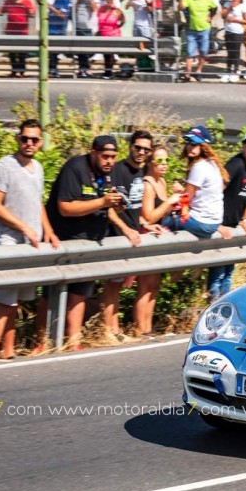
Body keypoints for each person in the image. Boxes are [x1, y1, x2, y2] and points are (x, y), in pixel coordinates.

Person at [0, 120, 60, 362]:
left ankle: (8, 353)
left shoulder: (37, 167)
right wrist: (23, 227)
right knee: (4, 301)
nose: (29, 143)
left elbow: (36, 203)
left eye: (34, 140)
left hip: (31, 243)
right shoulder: (4, 166)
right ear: (17, 139)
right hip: (8, 241)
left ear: (40, 142)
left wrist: (48, 231)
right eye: (25, 138)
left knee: (15, 302)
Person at [45, 136, 126, 349]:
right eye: (105, 156)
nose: (109, 161)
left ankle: (74, 343)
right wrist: (102, 202)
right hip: (64, 240)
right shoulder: (75, 168)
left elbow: (105, 207)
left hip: (89, 242)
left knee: (80, 292)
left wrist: (117, 208)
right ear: (93, 153)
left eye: (113, 157)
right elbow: (65, 207)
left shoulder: (106, 176)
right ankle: (43, 342)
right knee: (51, 293)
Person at [100, 131, 160, 340]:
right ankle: (110, 330)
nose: (141, 152)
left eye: (146, 149)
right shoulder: (116, 170)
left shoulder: (142, 171)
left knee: (121, 283)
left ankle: (116, 329)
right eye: (138, 148)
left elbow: (133, 208)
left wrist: (144, 224)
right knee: (113, 284)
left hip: (132, 234)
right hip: (116, 234)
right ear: (130, 147)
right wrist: (125, 229)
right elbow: (107, 208)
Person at [208, 131, 246, 301]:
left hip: (235, 224)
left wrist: (245, 218)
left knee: (228, 271)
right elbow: (216, 190)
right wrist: (217, 223)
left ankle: (223, 306)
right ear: (243, 147)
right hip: (222, 223)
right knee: (218, 272)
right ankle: (212, 306)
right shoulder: (235, 165)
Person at [136, 145, 183, 336]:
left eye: (166, 160)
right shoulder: (148, 184)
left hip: (159, 236)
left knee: (154, 284)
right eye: (159, 160)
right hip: (148, 235)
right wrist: (169, 202)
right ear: (150, 162)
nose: (164, 164)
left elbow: (164, 212)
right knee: (145, 285)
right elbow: (148, 217)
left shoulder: (161, 181)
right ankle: (140, 330)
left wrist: (178, 198)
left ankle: (148, 328)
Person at [180, 125, 233, 240]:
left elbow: (186, 198)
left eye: (194, 144)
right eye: (187, 142)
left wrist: (177, 195)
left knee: (168, 220)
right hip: (214, 221)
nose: (189, 146)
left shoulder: (199, 166)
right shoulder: (212, 164)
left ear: (203, 147)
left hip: (201, 222)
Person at [180, 0, 218, 82]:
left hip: (204, 30)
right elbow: (181, 7)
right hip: (192, 30)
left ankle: (198, 71)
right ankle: (187, 73)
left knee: (204, 52)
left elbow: (215, 7)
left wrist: (211, 16)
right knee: (190, 53)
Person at [0, 0, 36, 78]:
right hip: (10, 30)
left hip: (22, 31)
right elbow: (2, 12)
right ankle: (14, 70)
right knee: (12, 53)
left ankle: (21, 71)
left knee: (22, 52)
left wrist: (30, 12)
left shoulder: (27, 1)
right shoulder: (8, 1)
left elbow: (32, 14)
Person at [222, 0, 246, 83]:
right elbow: (223, 16)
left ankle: (235, 71)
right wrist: (230, 7)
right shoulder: (228, 4)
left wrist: (235, 19)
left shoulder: (243, 7)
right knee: (229, 52)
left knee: (236, 52)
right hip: (228, 30)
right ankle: (228, 71)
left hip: (238, 31)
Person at [96, 0, 125, 79]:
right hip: (103, 34)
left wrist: (118, 26)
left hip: (113, 34)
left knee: (110, 54)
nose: (109, 0)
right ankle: (107, 72)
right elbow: (99, 19)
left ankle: (108, 72)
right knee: (106, 54)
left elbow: (123, 20)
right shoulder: (101, 9)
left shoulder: (116, 10)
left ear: (113, 0)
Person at [73, 0, 98, 78]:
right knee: (80, 51)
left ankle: (87, 68)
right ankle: (82, 69)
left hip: (88, 27)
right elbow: (74, 10)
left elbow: (95, 8)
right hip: (78, 27)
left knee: (88, 50)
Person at [47, 0, 71, 78]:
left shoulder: (64, 0)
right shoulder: (56, 1)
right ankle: (52, 69)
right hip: (51, 30)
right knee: (51, 53)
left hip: (58, 31)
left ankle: (53, 69)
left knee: (54, 53)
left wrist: (50, 7)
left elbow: (62, 16)